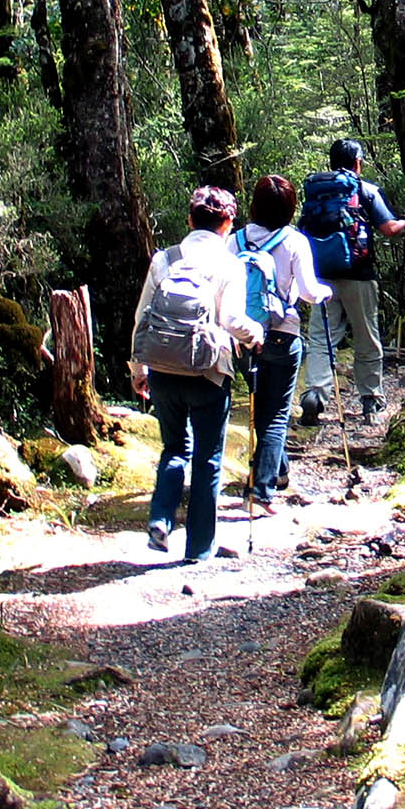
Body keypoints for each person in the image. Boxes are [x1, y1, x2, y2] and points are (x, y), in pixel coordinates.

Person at [129, 186, 263, 561]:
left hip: (164, 370)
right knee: (207, 458)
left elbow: (143, 317)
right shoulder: (230, 264)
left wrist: (139, 369)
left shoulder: (164, 259)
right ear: (228, 224)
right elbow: (232, 320)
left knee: (174, 448)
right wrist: (257, 335)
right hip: (209, 372)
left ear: (190, 220)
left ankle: (160, 519)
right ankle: (200, 547)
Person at [298, 139, 405, 424]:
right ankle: (370, 399)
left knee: (321, 338)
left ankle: (315, 394)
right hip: (359, 276)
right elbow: (389, 228)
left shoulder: (317, 192)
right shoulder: (365, 190)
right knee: (366, 336)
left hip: (321, 277)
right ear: (358, 162)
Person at [235, 176, 331, 513]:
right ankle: (262, 490)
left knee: (262, 409)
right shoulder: (294, 241)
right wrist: (326, 292)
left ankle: (280, 471)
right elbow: (308, 292)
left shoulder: (235, 241)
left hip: (243, 336)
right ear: (291, 208)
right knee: (275, 415)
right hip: (283, 334)